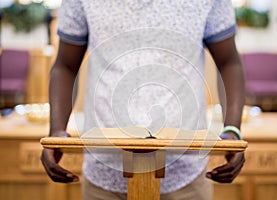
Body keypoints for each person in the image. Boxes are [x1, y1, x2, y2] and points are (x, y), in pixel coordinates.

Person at [41, 0, 245, 199]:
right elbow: (65, 66)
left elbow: (229, 63)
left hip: (185, 176)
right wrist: (56, 132)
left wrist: (232, 130)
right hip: (103, 175)